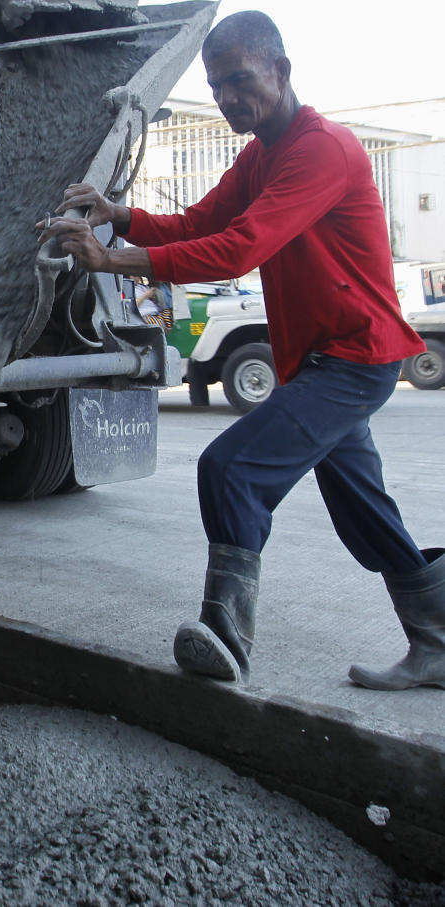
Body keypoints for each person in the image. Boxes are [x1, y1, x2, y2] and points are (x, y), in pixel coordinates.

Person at [40, 11, 440, 690]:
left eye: (239, 81)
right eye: (216, 84)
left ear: (279, 73)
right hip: (323, 359)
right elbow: (201, 222)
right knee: (363, 514)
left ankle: (225, 637)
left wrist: (110, 259)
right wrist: (120, 212)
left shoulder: (322, 150)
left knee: (230, 468)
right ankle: (437, 640)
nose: (226, 97)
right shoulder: (260, 155)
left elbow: (241, 246)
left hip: (354, 356)